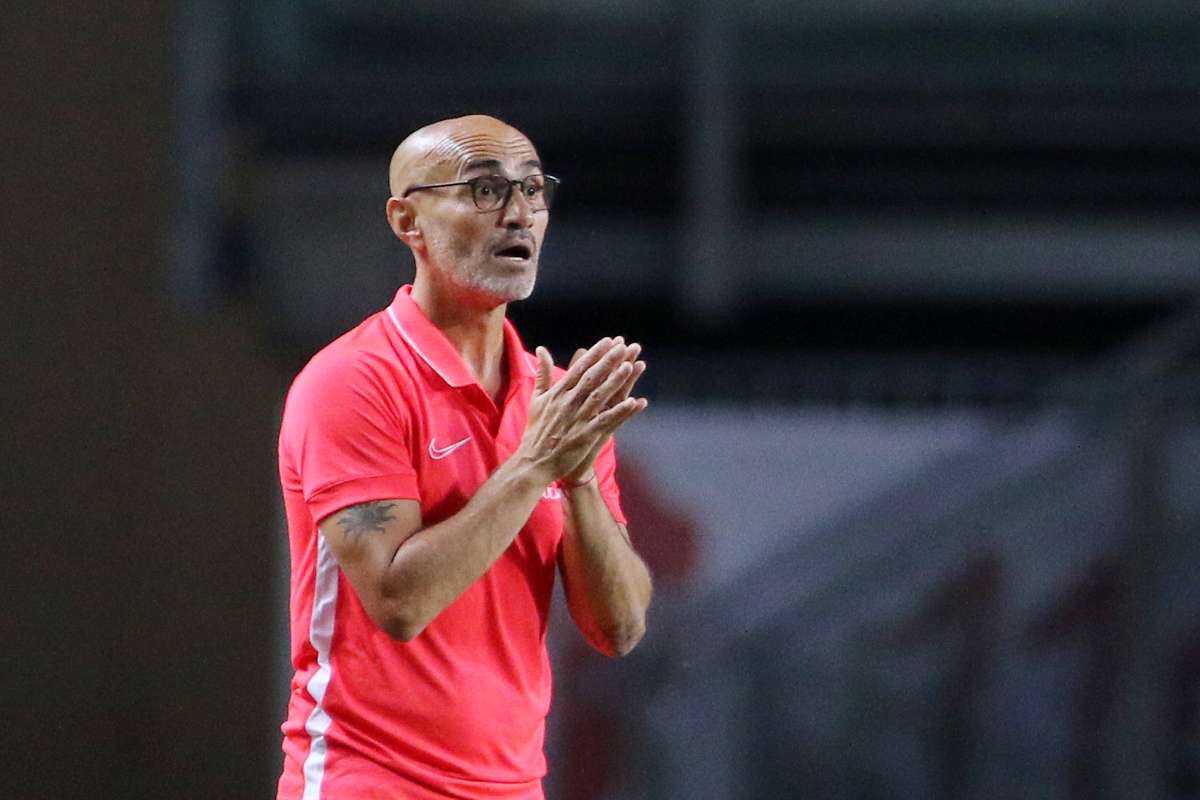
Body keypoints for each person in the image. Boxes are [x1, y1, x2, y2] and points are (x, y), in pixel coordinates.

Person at [275, 114, 654, 800]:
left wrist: (578, 482)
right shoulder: (353, 382)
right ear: (407, 221)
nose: (518, 213)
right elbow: (400, 602)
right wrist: (534, 465)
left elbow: (619, 628)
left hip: (515, 786)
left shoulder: (555, 404)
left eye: (532, 189)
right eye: (484, 190)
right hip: (370, 782)